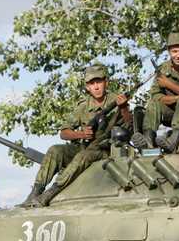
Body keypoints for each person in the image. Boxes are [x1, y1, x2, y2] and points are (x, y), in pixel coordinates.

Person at [20, 64, 131, 207]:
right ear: (87, 87)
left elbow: (129, 126)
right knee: (55, 150)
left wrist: (123, 108)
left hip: (104, 150)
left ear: (106, 82)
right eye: (92, 83)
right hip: (84, 146)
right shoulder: (83, 106)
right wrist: (80, 134)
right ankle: (36, 191)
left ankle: (51, 193)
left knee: (82, 157)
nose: (96, 87)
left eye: (99, 82)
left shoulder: (117, 100)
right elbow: (64, 133)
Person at [141, 31, 179, 153]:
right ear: (169, 52)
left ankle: (172, 141)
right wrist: (175, 99)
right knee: (154, 102)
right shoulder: (163, 69)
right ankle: (148, 141)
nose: (178, 55)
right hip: (170, 111)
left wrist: (168, 85)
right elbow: (156, 94)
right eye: (174, 51)